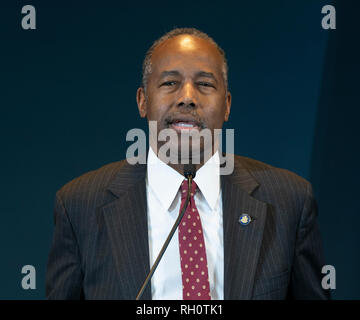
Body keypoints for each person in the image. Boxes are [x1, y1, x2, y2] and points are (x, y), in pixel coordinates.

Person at [46, 28, 330, 300]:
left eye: (205, 84)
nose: (187, 98)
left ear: (227, 105)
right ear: (142, 101)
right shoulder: (79, 205)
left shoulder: (289, 201)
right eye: (170, 83)